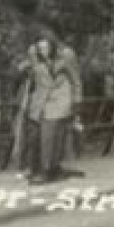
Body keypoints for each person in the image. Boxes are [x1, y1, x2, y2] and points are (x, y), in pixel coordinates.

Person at [21, 35, 83, 183]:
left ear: (52, 46)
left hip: (59, 98)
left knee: (50, 134)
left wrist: (77, 102)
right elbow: (30, 70)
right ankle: (45, 168)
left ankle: (46, 171)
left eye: (46, 47)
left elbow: (76, 80)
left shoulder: (66, 56)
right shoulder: (34, 56)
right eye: (40, 48)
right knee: (41, 136)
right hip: (40, 100)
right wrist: (24, 68)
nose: (44, 51)